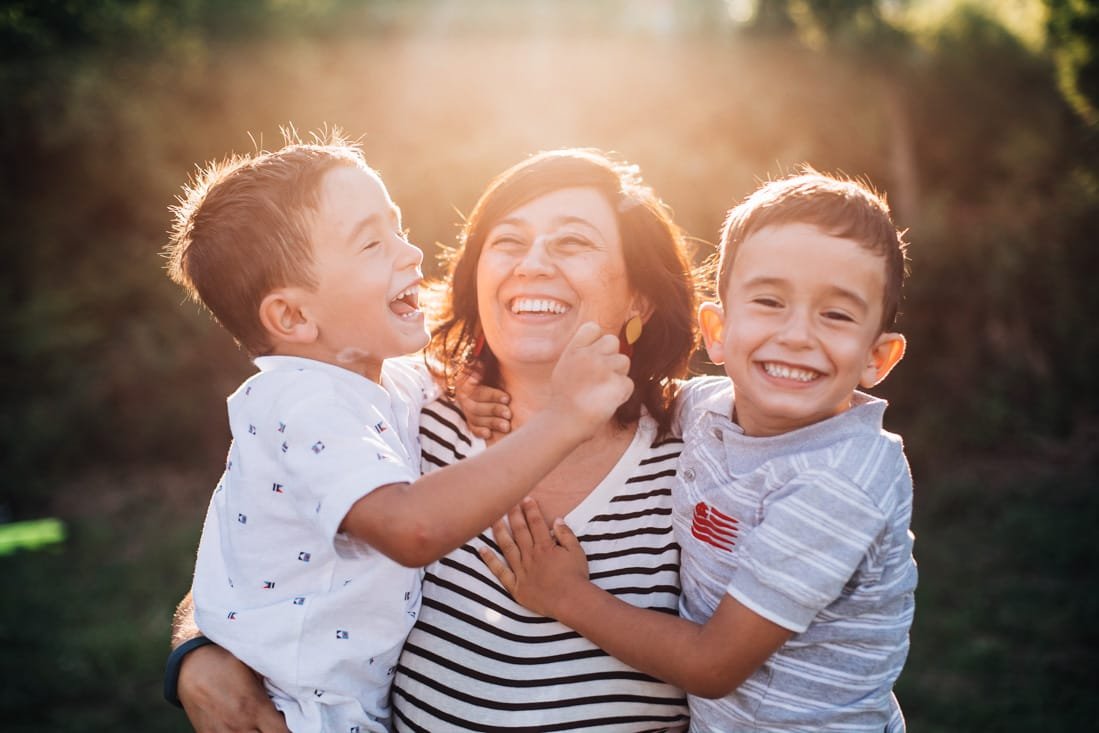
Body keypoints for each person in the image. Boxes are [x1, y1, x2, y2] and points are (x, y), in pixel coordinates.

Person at [168, 147, 699, 732]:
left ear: (640, 297)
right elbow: (260, 557)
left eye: (573, 242)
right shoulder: (341, 406)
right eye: (508, 242)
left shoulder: (708, 437)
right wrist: (197, 654)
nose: (532, 264)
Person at [484, 169, 918, 732]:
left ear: (876, 359)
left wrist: (568, 597)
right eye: (769, 301)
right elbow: (612, 392)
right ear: (717, 329)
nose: (796, 335)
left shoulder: (837, 484)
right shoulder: (710, 408)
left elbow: (713, 666)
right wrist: (480, 381)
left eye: (836, 314)